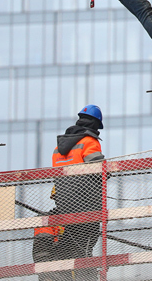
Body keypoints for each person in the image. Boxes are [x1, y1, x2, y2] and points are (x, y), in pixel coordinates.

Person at [32, 105, 105, 280]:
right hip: (87, 207)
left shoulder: (58, 149)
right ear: (96, 124)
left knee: (69, 248)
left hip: (64, 206)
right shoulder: (89, 141)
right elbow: (98, 169)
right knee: (84, 250)